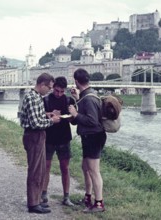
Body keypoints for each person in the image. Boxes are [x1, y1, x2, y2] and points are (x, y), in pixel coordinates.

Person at [20, 72, 61, 214]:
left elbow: (36, 116)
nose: (50, 90)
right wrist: (52, 121)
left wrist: (46, 114)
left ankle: (36, 200)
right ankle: (33, 204)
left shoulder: (36, 97)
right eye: (49, 87)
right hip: (34, 136)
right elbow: (35, 123)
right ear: (42, 84)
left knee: (41, 170)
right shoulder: (32, 98)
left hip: (38, 136)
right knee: (35, 171)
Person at [68, 68, 107, 213]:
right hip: (89, 137)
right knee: (86, 168)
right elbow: (88, 112)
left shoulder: (89, 98)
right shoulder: (87, 95)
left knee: (94, 171)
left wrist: (75, 114)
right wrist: (78, 99)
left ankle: (98, 204)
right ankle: (88, 198)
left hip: (93, 137)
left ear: (77, 82)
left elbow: (92, 120)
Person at [41, 76, 75, 207]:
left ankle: (66, 197)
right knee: (46, 168)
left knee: (65, 168)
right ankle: (44, 194)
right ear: (53, 87)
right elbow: (40, 115)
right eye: (56, 91)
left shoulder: (68, 100)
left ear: (65, 90)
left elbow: (74, 120)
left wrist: (70, 117)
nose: (58, 94)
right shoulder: (46, 100)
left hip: (64, 138)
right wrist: (49, 113)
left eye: (61, 91)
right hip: (49, 138)